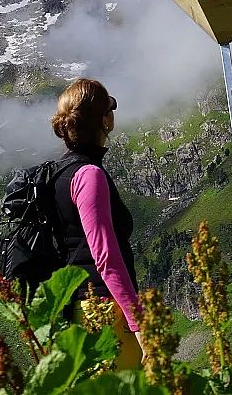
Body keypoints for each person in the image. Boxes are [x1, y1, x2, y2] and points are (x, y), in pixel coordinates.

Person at [50, 78, 143, 368]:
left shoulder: (58, 174)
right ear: (105, 120)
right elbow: (106, 257)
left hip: (78, 311)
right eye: (110, 108)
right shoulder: (89, 175)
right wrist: (139, 324)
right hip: (105, 310)